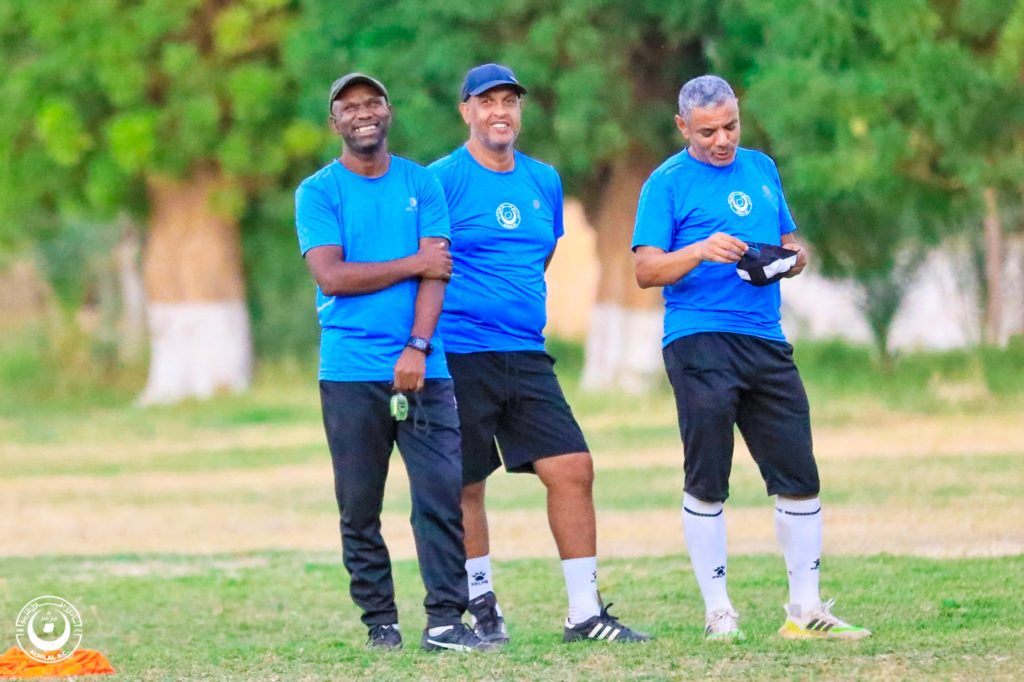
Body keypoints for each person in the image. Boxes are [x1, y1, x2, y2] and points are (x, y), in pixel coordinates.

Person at [632, 74, 872, 642]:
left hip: (766, 339)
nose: (723, 140)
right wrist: (698, 250)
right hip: (699, 339)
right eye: (708, 132)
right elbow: (645, 270)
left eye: (731, 126)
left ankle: (805, 610)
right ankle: (719, 612)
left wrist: (790, 259)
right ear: (682, 127)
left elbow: (789, 246)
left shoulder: (762, 169)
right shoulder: (665, 183)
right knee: (709, 478)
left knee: (799, 475)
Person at [429, 63, 648, 645]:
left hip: (527, 354)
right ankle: (481, 605)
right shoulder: (441, 180)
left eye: (509, 102)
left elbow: (538, 256)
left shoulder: (543, 180)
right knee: (465, 483)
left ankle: (585, 613)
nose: (500, 112)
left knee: (573, 468)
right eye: (487, 102)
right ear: (466, 111)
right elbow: (426, 263)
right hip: (459, 352)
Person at [294, 72, 494, 653]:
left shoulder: (421, 183)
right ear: (335, 121)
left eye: (373, 102)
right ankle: (380, 621)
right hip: (350, 371)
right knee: (360, 506)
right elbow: (332, 276)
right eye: (349, 106)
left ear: (388, 111)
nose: (363, 113)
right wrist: (412, 263)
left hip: (425, 370)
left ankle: (445, 622)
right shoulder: (318, 191)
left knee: (440, 497)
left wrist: (418, 347)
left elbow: (440, 272)